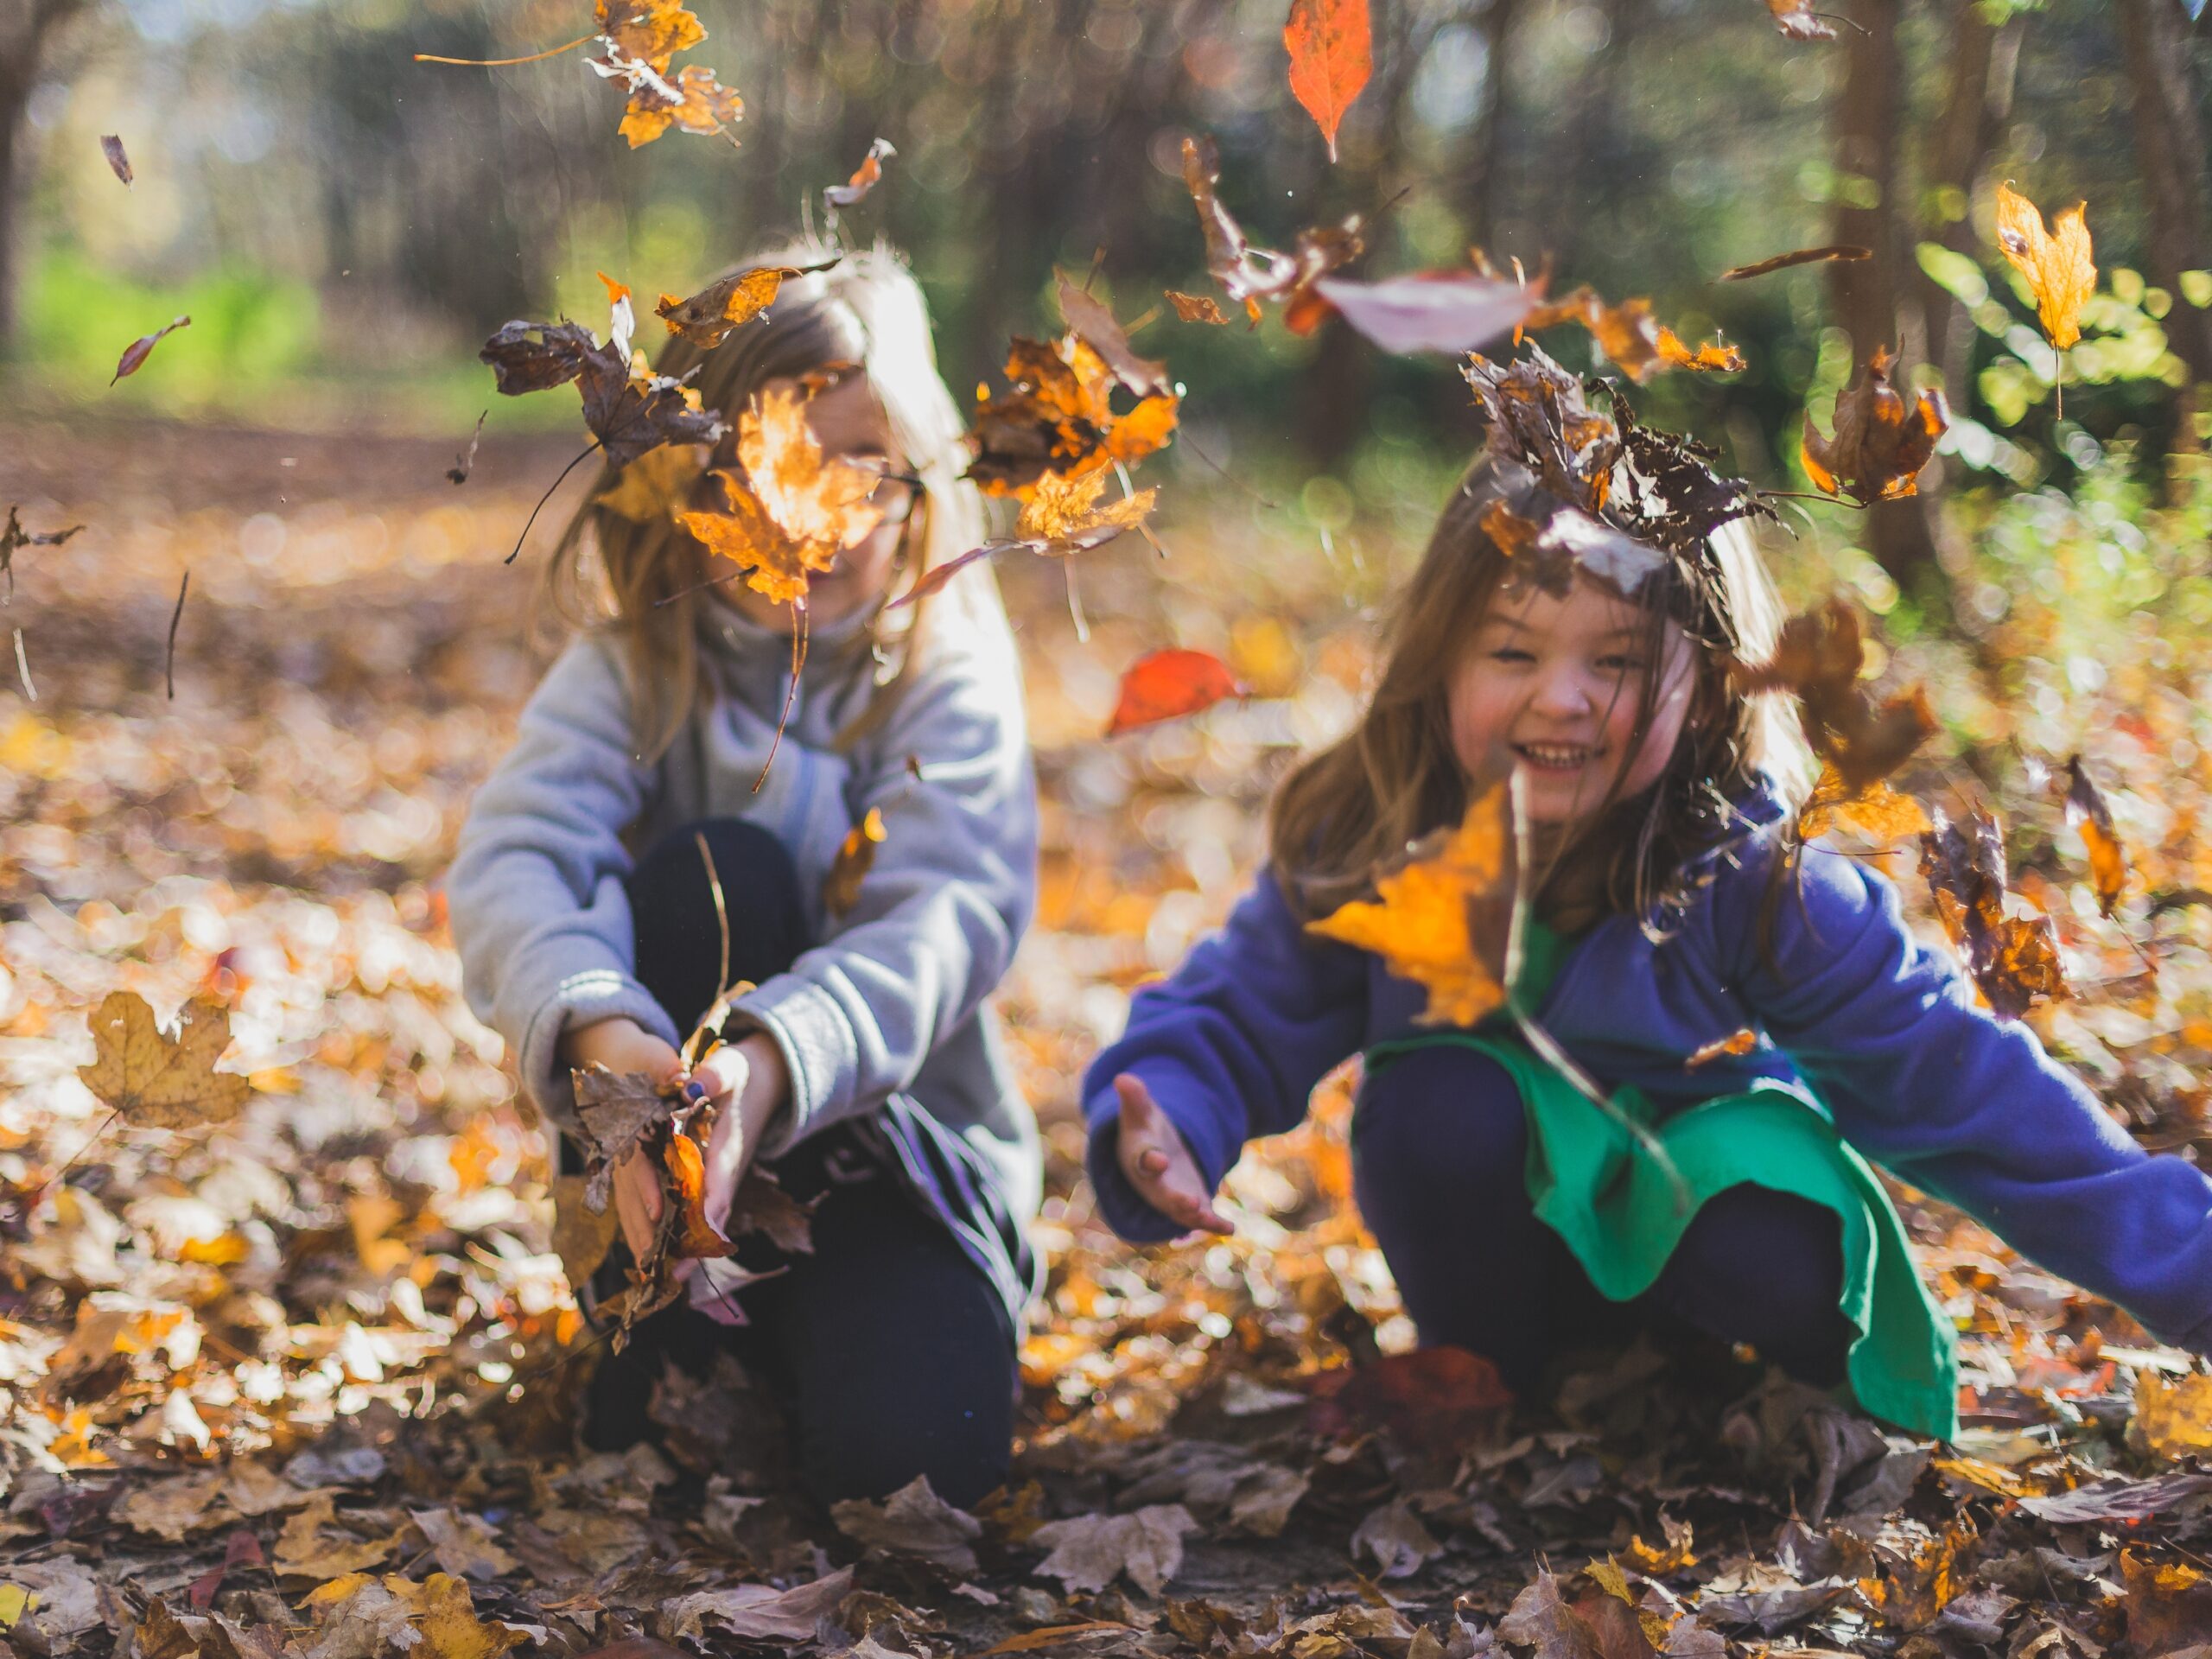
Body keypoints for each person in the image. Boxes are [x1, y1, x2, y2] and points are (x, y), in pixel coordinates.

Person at [1080, 353, 2212, 1440]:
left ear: (1710, 685)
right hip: (1503, 1265)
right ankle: (1512, 1380)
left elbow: (1965, 1087)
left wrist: (2193, 1272)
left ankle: (1731, 1396)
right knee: (1437, 1105)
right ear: (1442, 661)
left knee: (1753, 1209)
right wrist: (1177, 1112)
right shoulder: (1384, 834)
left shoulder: (1759, 879)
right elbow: (1241, 1007)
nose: (1561, 699)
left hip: (1723, 1248)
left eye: (1616, 662)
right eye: (1513, 653)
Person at [448, 244, 1039, 1506]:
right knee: (719, 869)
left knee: (915, 1480)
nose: (810, 512)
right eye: (763, 462)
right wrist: (604, 1028)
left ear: (917, 475)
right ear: (684, 479)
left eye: (857, 466)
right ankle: (665, 1327)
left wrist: (768, 1068)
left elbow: (948, 915)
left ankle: (851, 1343)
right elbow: (516, 857)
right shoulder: (634, 669)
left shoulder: (942, 670)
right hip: (662, 1178)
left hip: (895, 1172)